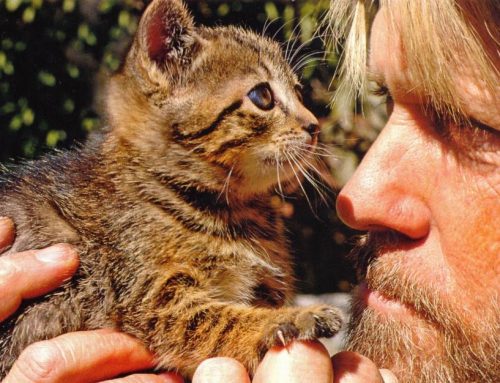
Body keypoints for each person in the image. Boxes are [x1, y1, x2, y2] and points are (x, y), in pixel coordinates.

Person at [1, 0, 498, 381]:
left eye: (475, 125)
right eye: (264, 99)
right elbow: (165, 317)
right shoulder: (133, 206)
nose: (309, 121)